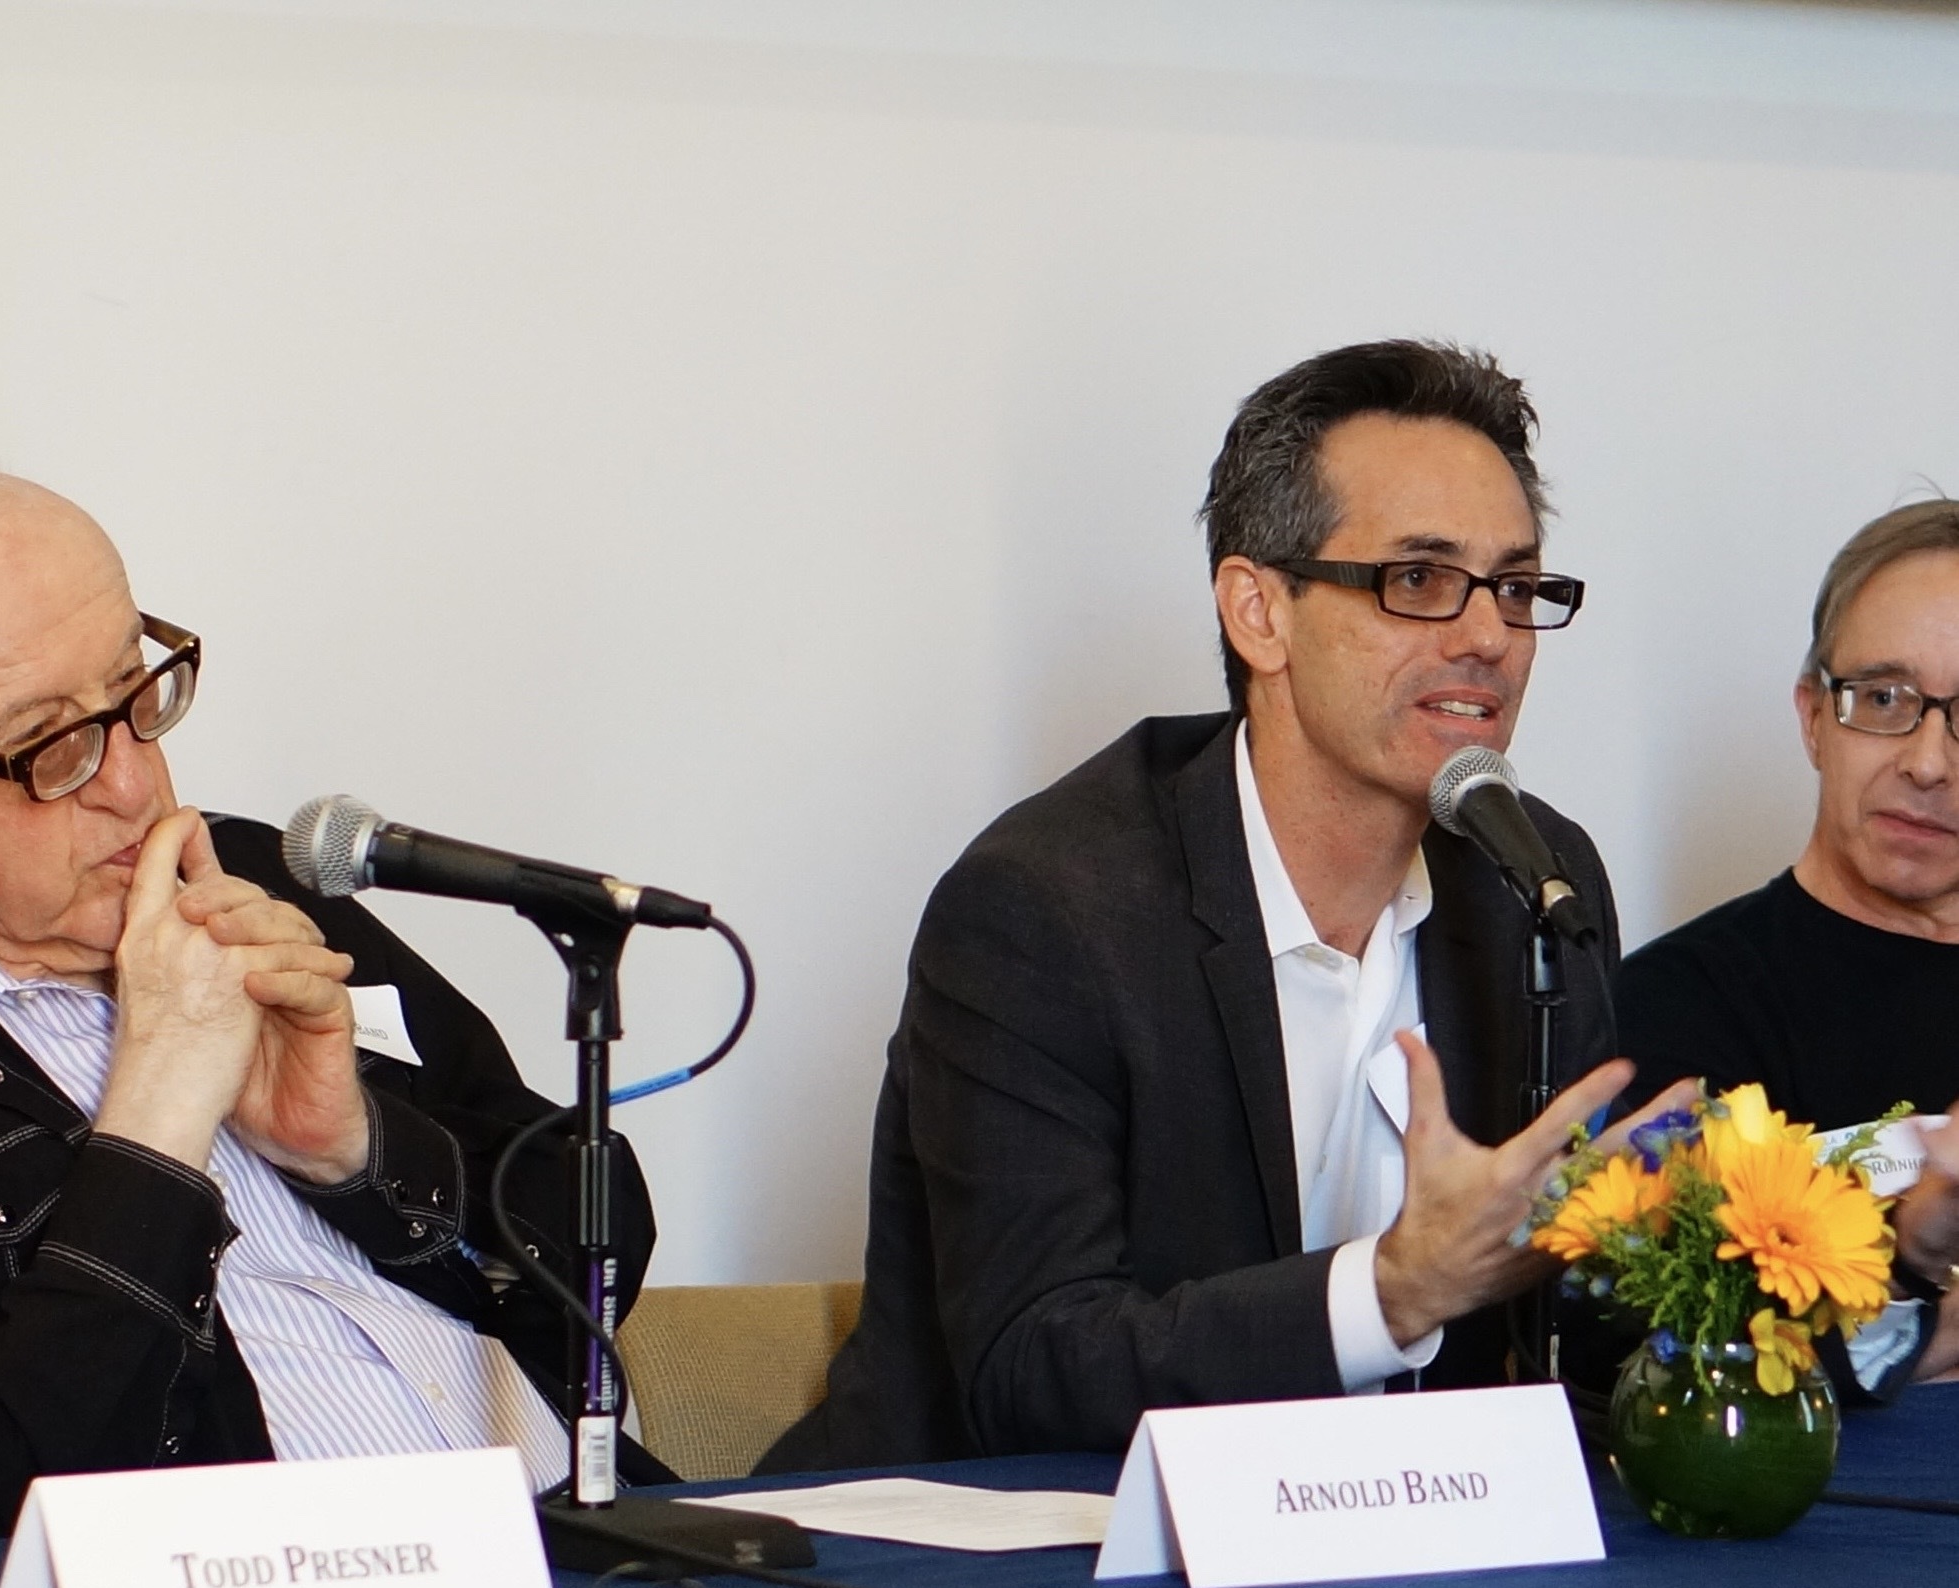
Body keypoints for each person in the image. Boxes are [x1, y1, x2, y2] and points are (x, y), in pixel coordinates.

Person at [0, 444, 656, 1550]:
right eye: (48, 745)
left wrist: (354, 1149)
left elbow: (608, 1249)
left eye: (136, 694)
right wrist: (157, 1125)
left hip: (593, 1556)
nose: (134, 785)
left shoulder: (254, 875)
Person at [767, 339, 1674, 1472]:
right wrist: (1388, 1293)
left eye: (1518, 586)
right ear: (1259, 613)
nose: (1488, 635)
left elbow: (1570, 1337)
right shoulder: (1046, 909)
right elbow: (1028, 1367)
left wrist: (1800, 1250)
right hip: (999, 1575)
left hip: (1395, 1551)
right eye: (1421, 581)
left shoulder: (1534, 884)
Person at [1617, 499, 1959, 1387]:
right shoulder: (1672, 1007)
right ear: (1813, 718)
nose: (1927, 762)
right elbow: (1663, 1353)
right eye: (1883, 699)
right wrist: (1913, 1255)